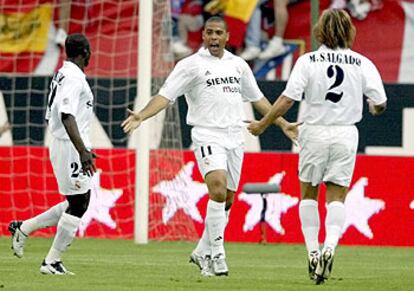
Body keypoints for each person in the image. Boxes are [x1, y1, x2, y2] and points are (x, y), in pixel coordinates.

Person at [122, 16, 300, 277]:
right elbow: (165, 95)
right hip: (207, 135)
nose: (214, 38)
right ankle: (218, 255)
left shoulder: (238, 66)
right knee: (217, 188)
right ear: (203, 36)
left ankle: (201, 251)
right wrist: (141, 115)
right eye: (209, 33)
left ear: (227, 36)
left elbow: (258, 99)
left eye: (218, 33)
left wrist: (282, 124)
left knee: (226, 200)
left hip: (235, 137)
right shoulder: (190, 65)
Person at [247, 9, 387, 284]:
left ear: (320, 31)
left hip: (313, 132)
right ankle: (330, 247)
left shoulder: (308, 61)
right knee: (337, 197)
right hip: (346, 134)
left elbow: (288, 100)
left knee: (309, 194)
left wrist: (263, 123)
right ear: (350, 31)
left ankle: (312, 251)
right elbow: (380, 102)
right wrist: (372, 107)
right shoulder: (362, 63)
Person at [8, 33, 96, 275]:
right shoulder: (74, 78)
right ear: (86, 52)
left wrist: (85, 146)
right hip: (68, 145)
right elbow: (66, 114)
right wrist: (82, 151)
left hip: (69, 143)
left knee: (77, 201)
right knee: (79, 203)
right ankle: (51, 262)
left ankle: (24, 228)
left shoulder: (63, 72)